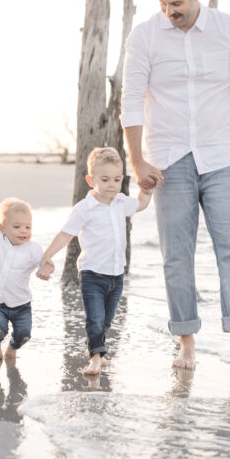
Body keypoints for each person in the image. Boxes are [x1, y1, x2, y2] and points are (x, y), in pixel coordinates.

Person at [121, 0, 230, 373]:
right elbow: (131, 102)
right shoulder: (144, 37)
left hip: (221, 156)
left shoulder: (229, 30)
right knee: (176, 257)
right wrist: (137, 160)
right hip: (168, 160)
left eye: (178, 2)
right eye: (165, 3)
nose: (171, 10)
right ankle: (186, 342)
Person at [37, 147, 152, 376]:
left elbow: (141, 204)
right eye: (105, 179)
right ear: (91, 180)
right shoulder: (84, 208)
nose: (112, 184)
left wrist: (147, 188)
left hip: (116, 275)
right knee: (95, 318)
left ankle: (97, 350)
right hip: (92, 274)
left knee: (107, 320)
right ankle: (95, 358)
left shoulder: (121, 202)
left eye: (117, 179)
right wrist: (47, 255)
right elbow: (65, 234)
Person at [0, 198, 44, 360]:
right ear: (2, 228)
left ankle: (13, 348)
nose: (24, 231)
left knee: (24, 334)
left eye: (28, 227)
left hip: (21, 303)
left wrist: (45, 269)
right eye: (17, 227)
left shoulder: (33, 249)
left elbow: (42, 262)